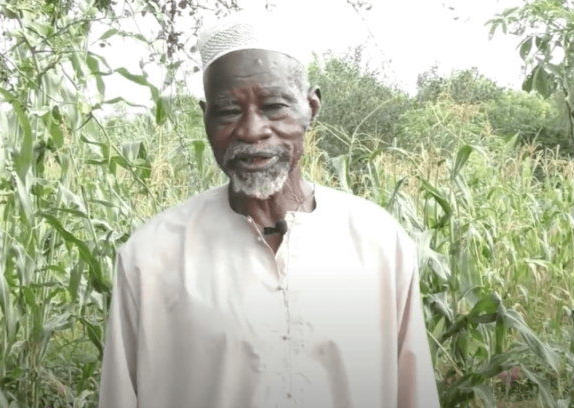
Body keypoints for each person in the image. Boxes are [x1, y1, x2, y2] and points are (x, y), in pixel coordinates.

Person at [98, 9, 440, 408]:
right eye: (228, 110)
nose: (251, 130)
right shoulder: (152, 256)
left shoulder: (379, 243)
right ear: (205, 117)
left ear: (311, 108)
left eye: (275, 106)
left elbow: (413, 393)